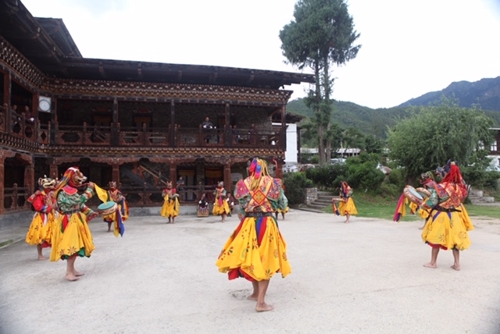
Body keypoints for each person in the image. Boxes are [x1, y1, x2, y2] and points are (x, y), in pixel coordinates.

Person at [215, 158, 291, 312]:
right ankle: (261, 303)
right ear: (265, 168)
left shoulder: (243, 184)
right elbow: (283, 204)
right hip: (266, 224)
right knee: (266, 260)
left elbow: (241, 209)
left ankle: (256, 293)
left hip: (248, 224)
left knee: (251, 256)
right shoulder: (274, 183)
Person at [420, 162, 473, 270]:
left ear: (446, 174)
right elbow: (461, 200)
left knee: (435, 238)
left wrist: (423, 205)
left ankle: (433, 262)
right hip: (455, 216)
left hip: (441, 216)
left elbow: (432, 202)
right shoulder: (460, 189)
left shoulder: (440, 187)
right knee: (455, 240)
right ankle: (457, 264)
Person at [50, 167, 99, 281]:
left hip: (75, 219)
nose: (80, 180)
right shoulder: (64, 191)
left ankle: (72, 270)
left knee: (77, 246)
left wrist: (90, 212)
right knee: (71, 246)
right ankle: (68, 272)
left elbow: (79, 206)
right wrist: (89, 190)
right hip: (69, 221)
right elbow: (78, 201)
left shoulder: (70, 190)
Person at [25, 176, 57, 260]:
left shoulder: (51, 193)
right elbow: (38, 207)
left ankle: (55, 252)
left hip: (51, 215)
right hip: (41, 217)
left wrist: (54, 205)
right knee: (40, 235)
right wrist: (51, 207)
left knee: (54, 233)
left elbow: (54, 203)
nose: (51, 186)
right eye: (49, 185)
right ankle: (40, 255)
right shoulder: (38, 194)